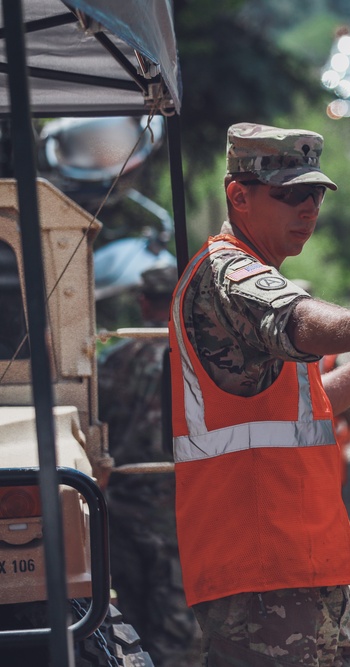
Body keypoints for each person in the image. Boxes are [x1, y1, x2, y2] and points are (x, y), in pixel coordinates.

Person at [168, 122, 350, 667]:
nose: (308, 209)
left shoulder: (248, 274)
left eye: (315, 194)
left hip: (301, 567)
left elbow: (309, 409)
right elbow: (297, 318)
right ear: (239, 196)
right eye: (290, 195)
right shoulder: (228, 272)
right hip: (261, 574)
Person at [97, 262, 202, 667]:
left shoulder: (113, 359)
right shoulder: (197, 358)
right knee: (178, 623)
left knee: (131, 623)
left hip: (120, 506)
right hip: (177, 507)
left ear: (143, 302)